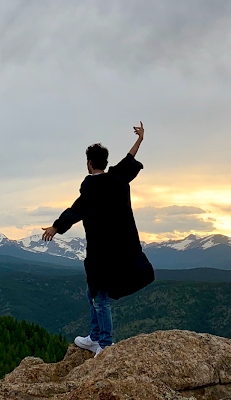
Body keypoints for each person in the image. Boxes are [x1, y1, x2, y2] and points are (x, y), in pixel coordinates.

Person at [41, 122, 150, 357]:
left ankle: (105, 345)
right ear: (105, 162)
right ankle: (94, 337)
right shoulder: (117, 179)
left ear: (89, 163)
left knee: (100, 298)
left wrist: (56, 227)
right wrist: (140, 139)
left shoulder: (91, 187)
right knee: (92, 294)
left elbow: (76, 209)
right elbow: (129, 159)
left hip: (101, 252)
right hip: (121, 249)